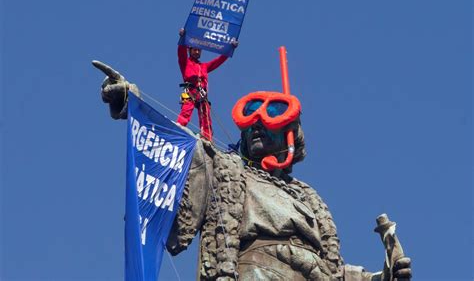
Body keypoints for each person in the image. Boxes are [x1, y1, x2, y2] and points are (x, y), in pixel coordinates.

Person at [99, 71, 412, 281]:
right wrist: (132, 103)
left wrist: (381, 276)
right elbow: (182, 146)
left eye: (271, 120)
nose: (257, 126)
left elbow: (335, 272)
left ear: (291, 136)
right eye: (250, 123)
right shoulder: (227, 171)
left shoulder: (308, 197)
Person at [177, 28, 238, 141]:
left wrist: (230, 48)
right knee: (186, 109)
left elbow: (218, 61)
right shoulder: (185, 63)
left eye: (199, 50)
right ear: (190, 50)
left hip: (202, 94)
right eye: (195, 50)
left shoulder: (204, 66)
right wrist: (183, 39)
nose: (197, 52)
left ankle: (207, 138)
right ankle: (179, 128)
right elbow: (181, 53)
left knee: (206, 115)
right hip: (190, 90)